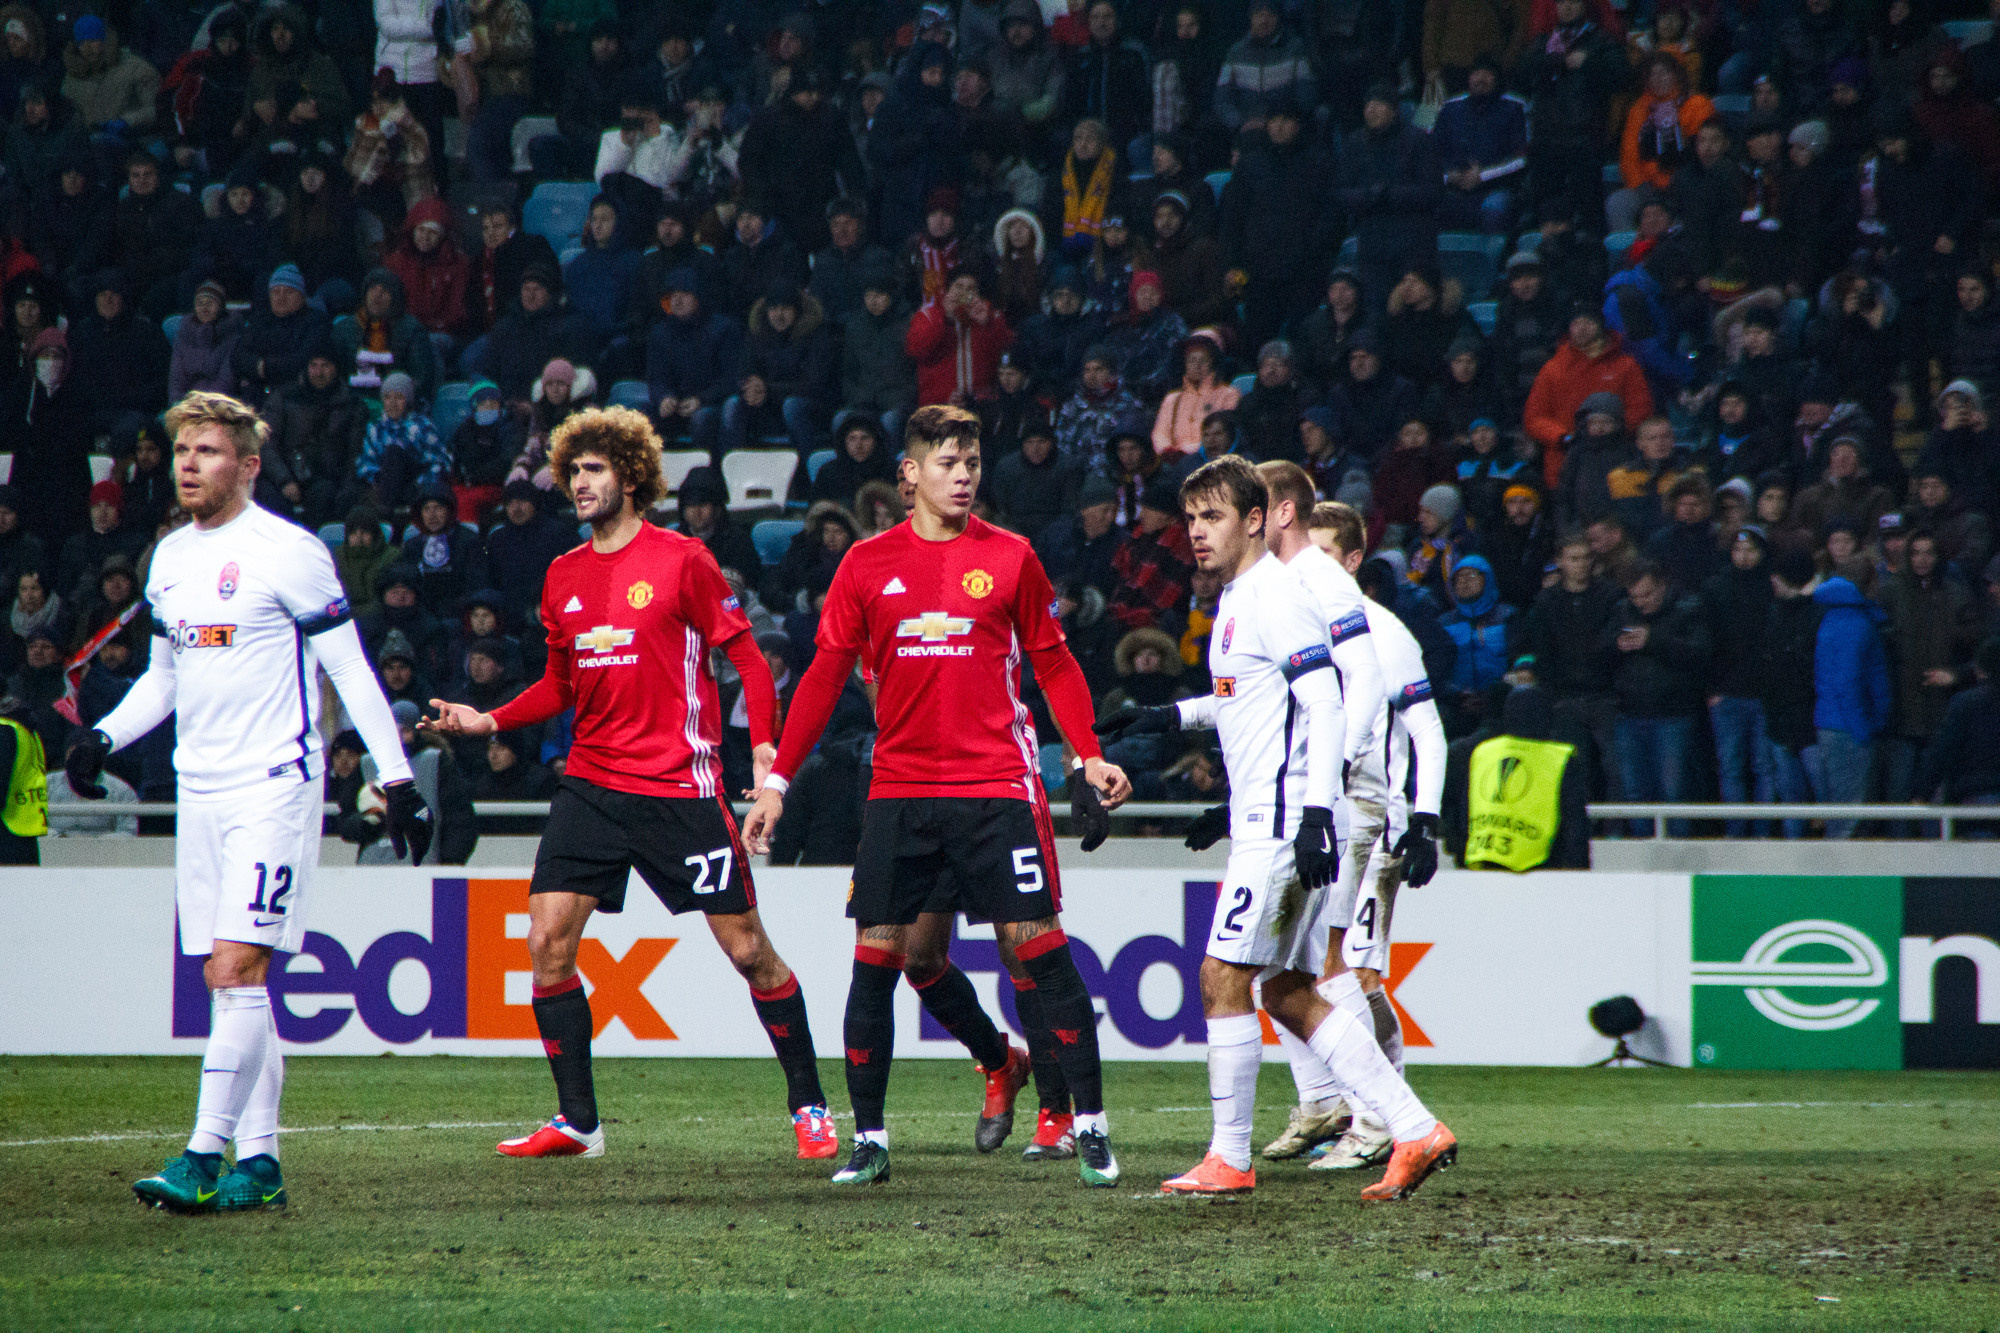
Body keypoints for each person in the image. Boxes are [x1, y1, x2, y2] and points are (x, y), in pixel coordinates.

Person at [423, 405, 836, 1163]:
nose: (578, 482)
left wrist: (767, 754)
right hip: (591, 785)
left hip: (680, 786)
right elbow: (558, 685)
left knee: (749, 951)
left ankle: (810, 1103)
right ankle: (578, 1121)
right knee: (547, 943)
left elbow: (747, 660)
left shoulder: (684, 560)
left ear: (632, 477)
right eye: (572, 470)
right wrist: (489, 721)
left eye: (594, 469)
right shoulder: (561, 575)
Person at [743, 404, 1132, 1189]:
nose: (962, 475)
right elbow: (822, 676)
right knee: (878, 963)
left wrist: (1087, 754)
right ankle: (872, 1138)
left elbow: (1054, 663)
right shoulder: (863, 564)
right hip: (900, 794)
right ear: (909, 473)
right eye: (946, 461)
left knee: (1042, 952)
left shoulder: (1014, 557)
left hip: (994, 791)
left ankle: (1087, 1123)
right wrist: (777, 780)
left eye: (972, 463)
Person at [63, 391, 432, 1215]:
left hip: (274, 786)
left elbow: (351, 671)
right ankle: (260, 1163)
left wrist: (396, 777)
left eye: (209, 451)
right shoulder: (169, 558)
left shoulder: (288, 552)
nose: (190, 463)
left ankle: (200, 1154)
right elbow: (164, 678)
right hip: (200, 792)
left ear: (249, 464)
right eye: (184, 450)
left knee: (237, 966)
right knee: (232, 984)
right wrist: (106, 739)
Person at [1095, 455, 1456, 1200]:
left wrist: (1317, 810)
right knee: (1289, 988)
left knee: (1221, 976)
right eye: (1191, 518)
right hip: (1273, 814)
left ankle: (1229, 1156)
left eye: (1214, 516)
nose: (1197, 532)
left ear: (1257, 519)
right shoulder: (1235, 601)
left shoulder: (1275, 595)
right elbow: (1245, 701)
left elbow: (1325, 702)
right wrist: (1168, 718)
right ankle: (1414, 1126)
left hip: (1285, 821)